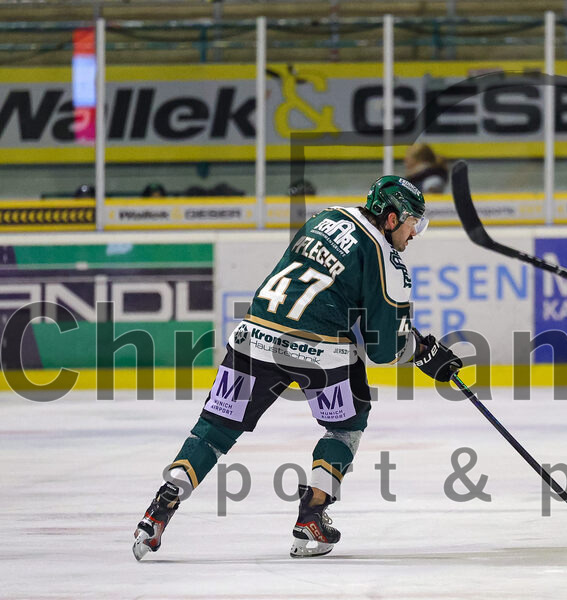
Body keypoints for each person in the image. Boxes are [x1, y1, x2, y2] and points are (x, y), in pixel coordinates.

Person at [133, 175, 463, 561]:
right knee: (345, 425)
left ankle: (158, 511)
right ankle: (311, 517)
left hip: (253, 337)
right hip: (319, 351)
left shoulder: (323, 218)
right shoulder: (388, 262)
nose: (415, 234)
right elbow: (383, 348)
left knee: (214, 431)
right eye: (413, 223)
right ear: (391, 219)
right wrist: (424, 352)